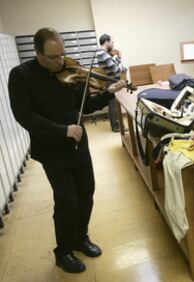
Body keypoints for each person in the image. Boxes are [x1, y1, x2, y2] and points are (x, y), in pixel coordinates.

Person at [8, 27, 127, 273]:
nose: (60, 61)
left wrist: (108, 93)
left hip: (78, 145)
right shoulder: (21, 75)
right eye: (53, 57)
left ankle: (80, 237)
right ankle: (63, 252)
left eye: (62, 54)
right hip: (52, 150)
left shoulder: (67, 72)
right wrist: (62, 130)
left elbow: (86, 105)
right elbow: (24, 116)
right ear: (37, 52)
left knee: (86, 193)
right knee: (66, 202)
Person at [96, 34, 128, 132]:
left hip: (110, 80)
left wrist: (116, 58)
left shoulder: (102, 53)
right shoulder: (103, 53)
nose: (113, 45)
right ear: (106, 42)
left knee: (112, 105)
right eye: (112, 42)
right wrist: (120, 60)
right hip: (111, 81)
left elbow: (112, 65)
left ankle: (116, 125)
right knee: (113, 105)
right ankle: (117, 126)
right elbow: (115, 69)